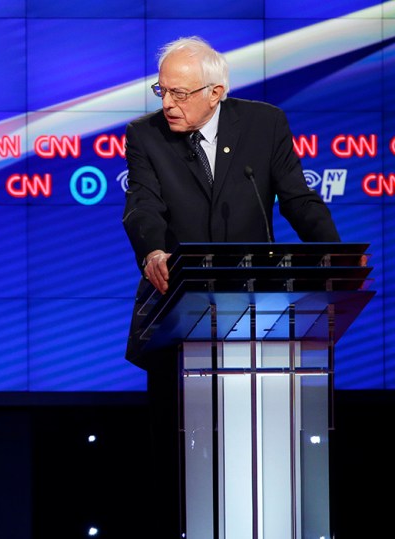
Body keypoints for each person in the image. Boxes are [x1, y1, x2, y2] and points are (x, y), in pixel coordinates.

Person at [122, 36, 342, 537]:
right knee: (178, 462)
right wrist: (154, 251)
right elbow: (142, 205)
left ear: (216, 91)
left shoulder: (264, 125)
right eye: (162, 90)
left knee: (261, 447)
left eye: (179, 93)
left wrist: (334, 261)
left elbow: (298, 201)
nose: (167, 104)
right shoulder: (145, 135)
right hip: (176, 316)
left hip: (258, 313)